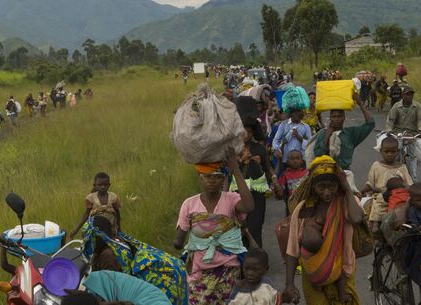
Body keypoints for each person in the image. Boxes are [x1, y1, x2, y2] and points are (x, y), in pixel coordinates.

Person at [174, 148, 254, 305]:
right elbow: (178, 240)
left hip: (229, 271)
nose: (212, 180)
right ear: (200, 178)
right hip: (199, 275)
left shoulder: (231, 199)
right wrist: (192, 241)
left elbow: (249, 206)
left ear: (223, 178)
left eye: (217, 177)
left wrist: (235, 170)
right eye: (207, 177)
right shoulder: (189, 204)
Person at [284, 155, 364, 305]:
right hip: (312, 274)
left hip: (343, 271)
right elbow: (293, 248)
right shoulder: (303, 210)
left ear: (338, 185)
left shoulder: (346, 203)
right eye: (321, 187)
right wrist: (289, 283)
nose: (327, 192)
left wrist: (347, 189)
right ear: (312, 187)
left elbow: (357, 218)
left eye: (332, 187)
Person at [85, 216, 187, 305]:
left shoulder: (108, 256)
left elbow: (115, 287)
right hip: (172, 271)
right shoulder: (117, 240)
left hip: (158, 284)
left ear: (96, 236)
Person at [230, 126, 278, 248]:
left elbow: (268, 166)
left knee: (255, 226)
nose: (246, 134)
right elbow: (228, 171)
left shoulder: (259, 148)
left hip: (257, 192)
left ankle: (258, 259)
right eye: (243, 131)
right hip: (237, 192)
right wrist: (242, 160)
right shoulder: (232, 149)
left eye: (249, 131)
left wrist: (275, 179)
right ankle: (243, 259)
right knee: (240, 225)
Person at [362, 136, 413, 233]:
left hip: (398, 195)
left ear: (398, 151)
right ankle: (375, 223)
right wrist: (362, 190)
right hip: (380, 195)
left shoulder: (402, 167)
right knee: (377, 203)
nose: (390, 154)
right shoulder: (376, 166)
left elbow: (409, 185)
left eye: (393, 151)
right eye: (386, 151)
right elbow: (370, 183)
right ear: (381, 151)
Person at [312, 92, 375, 171]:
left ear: (344, 117)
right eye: (334, 116)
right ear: (330, 118)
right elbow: (318, 154)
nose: (336, 119)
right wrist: (327, 137)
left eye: (339, 116)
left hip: (345, 172)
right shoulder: (323, 133)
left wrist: (360, 104)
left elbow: (370, 124)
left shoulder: (351, 133)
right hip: (326, 171)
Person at [386, 86, 421, 181]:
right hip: (398, 132)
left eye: (411, 94)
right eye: (407, 94)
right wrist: (389, 130)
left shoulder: (417, 106)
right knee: (398, 149)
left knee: (412, 154)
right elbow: (390, 119)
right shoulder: (396, 106)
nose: (410, 96)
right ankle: (395, 173)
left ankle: (414, 177)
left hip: (411, 133)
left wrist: (420, 130)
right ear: (403, 95)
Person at [70, 172, 121, 240]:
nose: (102, 187)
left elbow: (117, 213)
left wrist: (119, 228)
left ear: (109, 185)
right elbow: (86, 214)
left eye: (105, 185)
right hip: (95, 227)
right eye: (99, 185)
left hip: (110, 228)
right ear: (95, 185)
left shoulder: (113, 197)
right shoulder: (91, 198)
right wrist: (76, 229)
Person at [277, 150, 308, 216]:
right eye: (292, 159)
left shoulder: (306, 173)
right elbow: (280, 191)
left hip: (305, 204)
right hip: (291, 205)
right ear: (288, 162)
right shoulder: (285, 175)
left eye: (298, 158)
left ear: (302, 160)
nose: (295, 161)